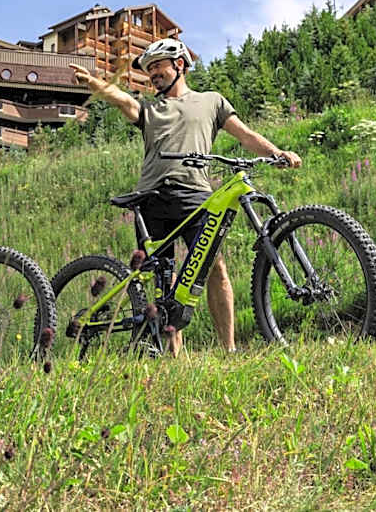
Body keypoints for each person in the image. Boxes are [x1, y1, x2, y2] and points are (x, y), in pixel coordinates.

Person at [69, 39, 301, 353]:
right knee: (164, 280)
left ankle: (228, 349)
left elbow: (245, 135)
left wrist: (276, 153)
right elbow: (124, 100)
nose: (153, 74)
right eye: (149, 69)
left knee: (215, 267)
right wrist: (96, 83)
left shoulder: (211, 102)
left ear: (180, 64)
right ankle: (173, 358)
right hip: (151, 199)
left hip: (196, 196)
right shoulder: (151, 108)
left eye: (158, 66)